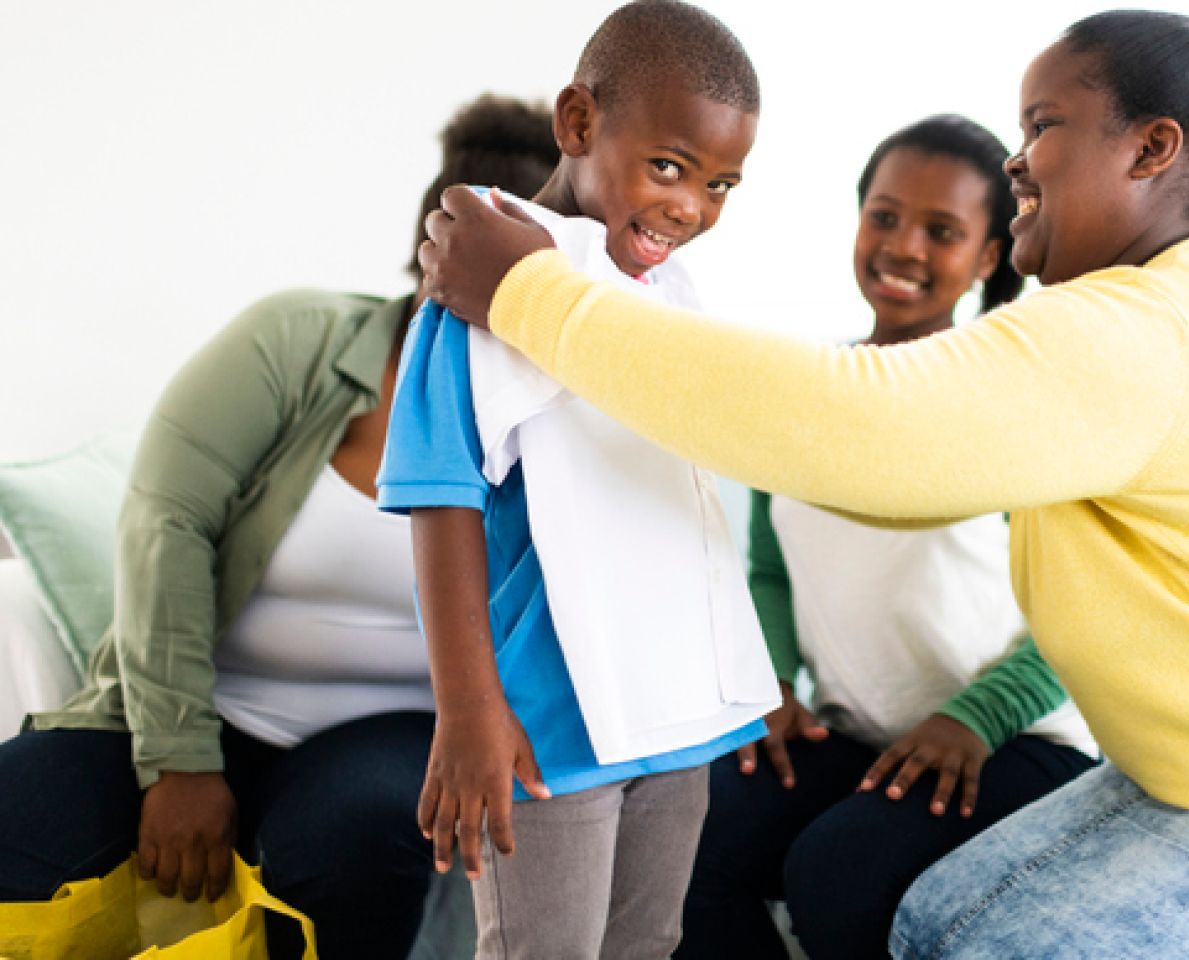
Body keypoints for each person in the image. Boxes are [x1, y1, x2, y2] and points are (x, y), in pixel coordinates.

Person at [417, 0, 1189, 956]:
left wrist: (529, 291)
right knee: (939, 923)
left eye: (1044, 126)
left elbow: (852, 433)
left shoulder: (1142, 335)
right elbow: (863, 480)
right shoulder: (1125, 322)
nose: (1016, 156)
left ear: (1151, 148)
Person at [0, 94, 558, 958]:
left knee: (354, 848)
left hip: (393, 733)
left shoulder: (567, 422)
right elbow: (165, 523)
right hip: (194, 704)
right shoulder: (297, 341)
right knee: (17, 817)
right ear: (430, 248)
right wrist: (180, 762)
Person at [375, 3, 779, 957]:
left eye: (722, 184)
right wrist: (470, 710)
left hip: (675, 726)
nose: (692, 207)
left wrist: (723, 683)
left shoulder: (669, 297)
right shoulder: (483, 278)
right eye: (672, 167)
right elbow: (441, 498)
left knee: (648, 947)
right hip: (547, 731)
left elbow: (687, 497)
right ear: (579, 124)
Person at [677, 115, 1097, 960]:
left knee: (836, 871)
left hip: (1013, 742)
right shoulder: (799, 396)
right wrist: (773, 688)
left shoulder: (1019, 410)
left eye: (942, 231)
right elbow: (770, 571)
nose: (904, 246)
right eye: (885, 216)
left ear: (988, 255)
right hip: (858, 735)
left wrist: (973, 720)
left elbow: (1090, 616)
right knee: (682, 835)